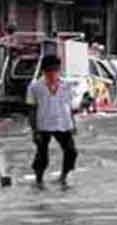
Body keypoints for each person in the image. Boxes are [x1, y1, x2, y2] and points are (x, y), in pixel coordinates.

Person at [26, 55, 78, 187]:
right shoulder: (35, 87)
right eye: (49, 70)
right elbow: (32, 109)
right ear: (43, 71)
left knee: (71, 151)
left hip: (64, 123)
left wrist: (73, 124)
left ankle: (63, 176)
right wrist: (34, 130)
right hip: (43, 124)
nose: (52, 73)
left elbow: (69, 106)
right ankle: (39, 180)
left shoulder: (66, 85)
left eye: (55, 70)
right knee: (42, 155)